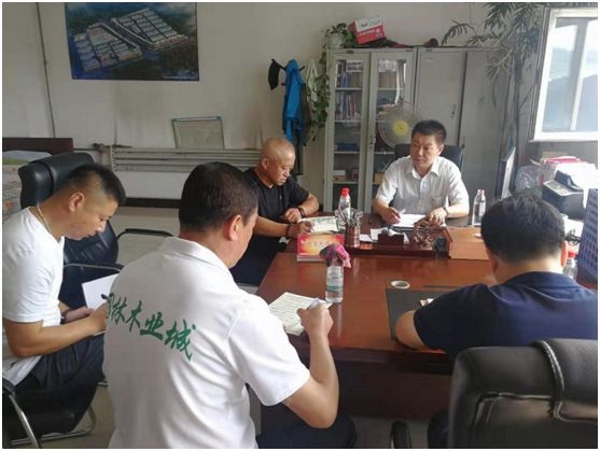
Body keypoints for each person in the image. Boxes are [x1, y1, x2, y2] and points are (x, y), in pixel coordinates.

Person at [102, 162, 355, 448]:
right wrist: (318, 334)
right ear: (235, 226)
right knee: (339, 429)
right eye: (251, 226)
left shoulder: (128, 276)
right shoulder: (238, 310)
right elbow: (322, 412)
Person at [395, 195, 598, 447]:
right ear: (565, 253)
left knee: (442, 422)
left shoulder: (478, 304)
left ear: (491, 259)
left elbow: (405, 330)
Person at [2, 163, 126, 425]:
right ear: (76, 202)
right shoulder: (30, 250)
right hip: (21, 370)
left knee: (117, 332)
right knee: (125, 341)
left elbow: (36, 296)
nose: (102, 228)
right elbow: (23, 344)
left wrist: (68, 313)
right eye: (102, 218)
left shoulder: (43, 228)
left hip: (36, 344)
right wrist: (93, 324)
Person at [230, 137, 320, 285]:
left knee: (315, 262)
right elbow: (251, 222)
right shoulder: (245, 185)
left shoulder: (284, 182)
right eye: (284, 168)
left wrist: (300, 211)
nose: (287, 174)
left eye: (290, 169)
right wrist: (289, 230)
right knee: (297, 277)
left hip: (273, 249)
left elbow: (313, 201)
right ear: (266, 163)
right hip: (248, 256)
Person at [372, 120, 469, 226]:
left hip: (433, 229)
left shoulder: (449, 169)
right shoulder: (397, 167)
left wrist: (444, 211)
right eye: (415, 145)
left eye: (426, 148)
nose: (419, 153)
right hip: (400, 229)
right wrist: (384, 211)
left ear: (439, 149)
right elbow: (379, 201)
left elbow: (464, 207)